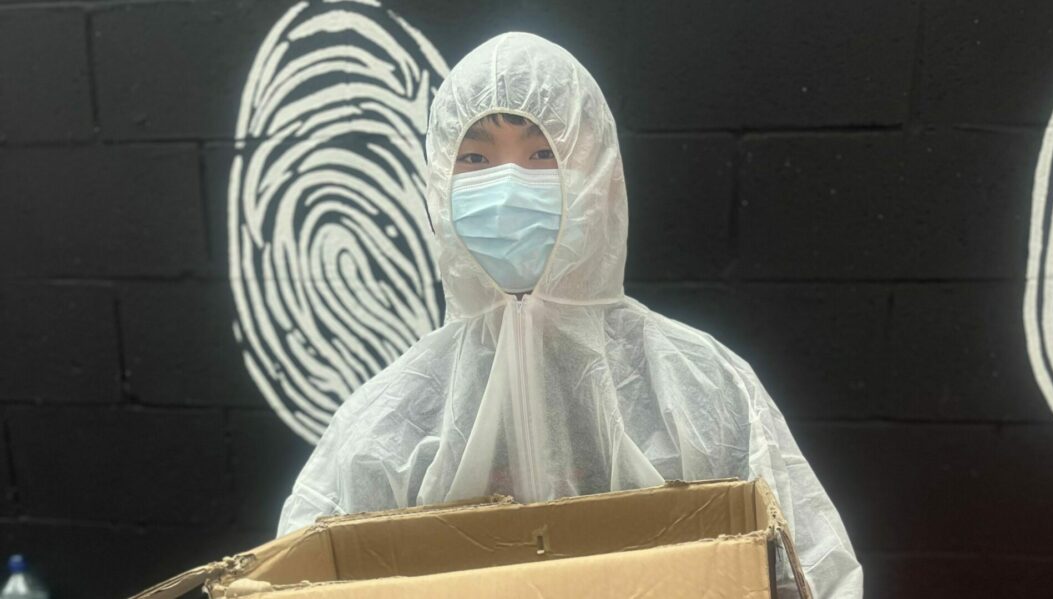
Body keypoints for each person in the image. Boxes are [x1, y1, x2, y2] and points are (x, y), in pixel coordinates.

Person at [276, 31, 863, 598]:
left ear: (599, 176)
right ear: (438, 185)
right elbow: (307, 569)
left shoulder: (700, 385)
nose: (508, 185)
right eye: (476, 157)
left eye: (542, 154)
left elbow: (808, 569)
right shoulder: (393, 416)